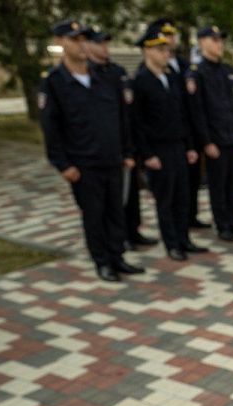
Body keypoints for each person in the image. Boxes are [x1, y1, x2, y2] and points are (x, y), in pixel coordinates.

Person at [39, 19, 142, 282]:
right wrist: (63, 165)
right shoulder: (54, 83)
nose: (82, 45)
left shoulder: (105, 78)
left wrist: (128, 152)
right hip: (83, 165)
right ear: (60, 42)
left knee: (116, 211)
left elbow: (122, 119)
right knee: (94, 215)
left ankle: (117, 256)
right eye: (75, 39)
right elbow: (51, 129)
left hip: (113, 159)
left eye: (84, 39)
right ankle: (102, 261)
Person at [131, 25, 207, 261]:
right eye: (161, 49)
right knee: (165, 200)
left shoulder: (173, 78)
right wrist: (147, 155)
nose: (167, 53)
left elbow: (183, 115)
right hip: (158, 149)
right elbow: (137, 124)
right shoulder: (141, 81)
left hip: (178, 146)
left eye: (167, 48)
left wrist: (190, 146)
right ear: (148, 51)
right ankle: (172, 243)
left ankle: (184, 239)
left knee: (182, 197)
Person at [84, 26, 157, 252]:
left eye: (106, 43)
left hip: (125, 144)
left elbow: (127, 112)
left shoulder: (117, 72)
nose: (105, 47)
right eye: (100, 43)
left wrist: (131, 148)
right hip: (100, 151)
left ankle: (132, 231)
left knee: (130, 194)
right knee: (109, 202)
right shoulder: (88, 74)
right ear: (88, 46)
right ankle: (114, 241)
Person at [186, 25, 233, 242]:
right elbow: (197, 112)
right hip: (216, 141)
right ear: (202, 42)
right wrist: (206, 142)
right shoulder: (198, 73)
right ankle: (222, 224)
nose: (219, 44)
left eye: (221, 40)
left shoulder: (228, 71)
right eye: (214, 40)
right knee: (218, 185)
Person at [148, 18, 209, 231]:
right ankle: (173, 236)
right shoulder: (146, 75)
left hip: (186, 135)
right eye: (165, 36)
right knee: (168, 193)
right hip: (163, 142)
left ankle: (189, 221)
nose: (170, 40)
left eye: (172, 35)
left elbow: (188, 107)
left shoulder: (184, 67)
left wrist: (192, 142)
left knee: (189, 184)